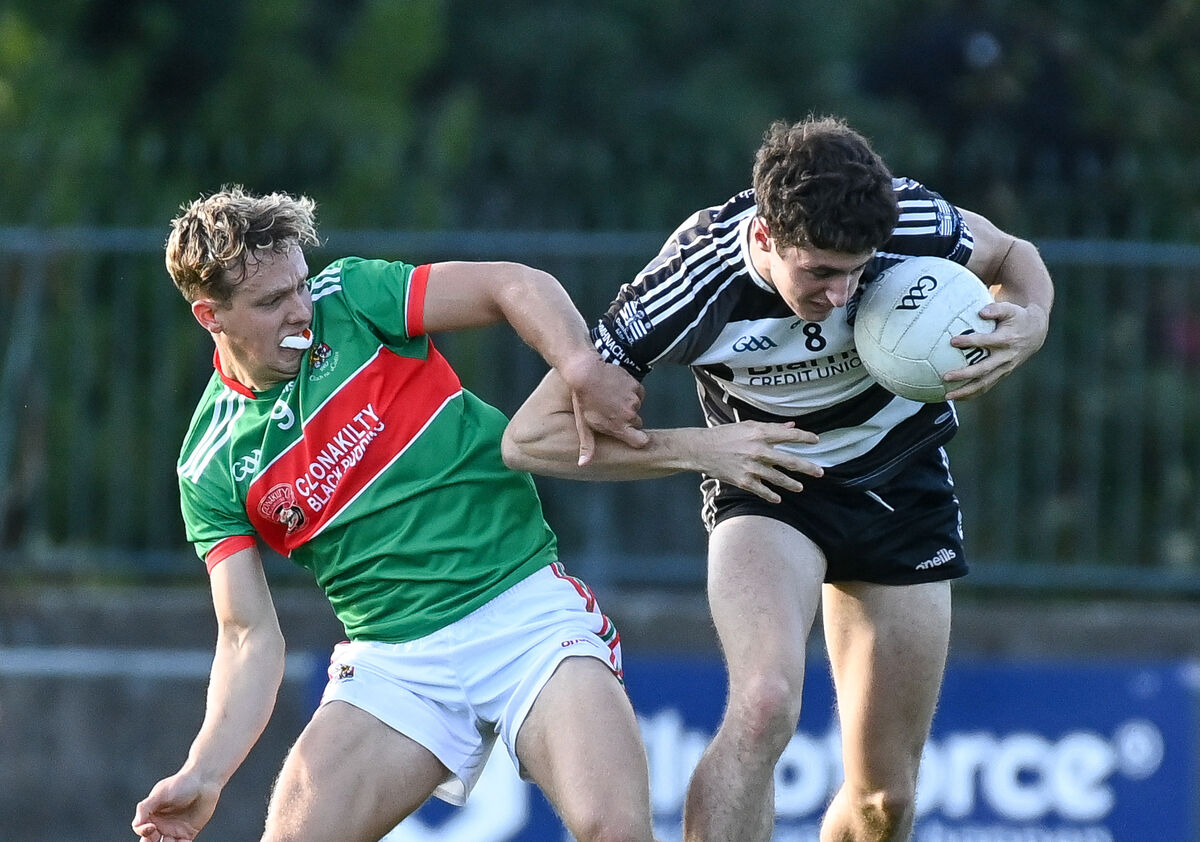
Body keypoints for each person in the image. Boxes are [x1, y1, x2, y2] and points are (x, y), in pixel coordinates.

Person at [501, 115, 1054, 842]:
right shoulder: (691, 280)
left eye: (856, 271)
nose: (840, 292)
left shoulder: (908, 216)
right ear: (765, 237)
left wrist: (1032, 317)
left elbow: (1013, 255)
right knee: (764, 704)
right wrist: (702, 449)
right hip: (768, 490)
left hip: (901, 477)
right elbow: (528, 439)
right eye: (820, 272)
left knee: (885, 800)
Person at [130, 185, 673, 842]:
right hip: (396, 664)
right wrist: (206, 772)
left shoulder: (352, 298)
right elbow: (247, 637)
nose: (301, 310)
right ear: (209, 315)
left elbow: (512, 284)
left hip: (525, 614)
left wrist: (578, 363)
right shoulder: (211, 462)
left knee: (614, 827)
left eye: (300, 284)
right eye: (272, 302)